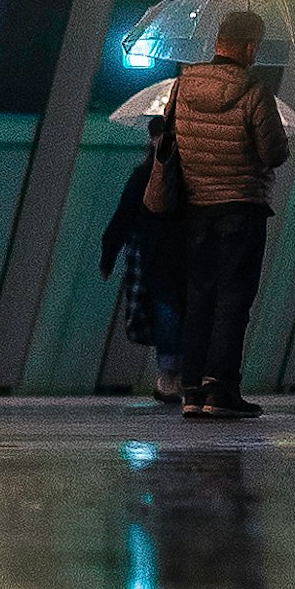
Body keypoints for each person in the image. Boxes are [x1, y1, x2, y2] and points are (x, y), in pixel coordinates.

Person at [163, 4, 292, 419]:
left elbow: (171, 141)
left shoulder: (183, 87)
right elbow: (273, 154)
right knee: (233, 300)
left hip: (196, 208)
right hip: (242, 209)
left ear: (218, 41)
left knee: (199, 297)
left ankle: (191, 390)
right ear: (250, 45)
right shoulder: (254, 92)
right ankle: (221, 390)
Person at [98, 84, 184, 402]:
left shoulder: (144, 172)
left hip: (153, 251)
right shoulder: (184, 175)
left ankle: (169, 375)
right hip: (179, 251)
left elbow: (124, 215)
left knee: (166, 309)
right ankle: (176, 373)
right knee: (176, 309)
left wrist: (109, 253)